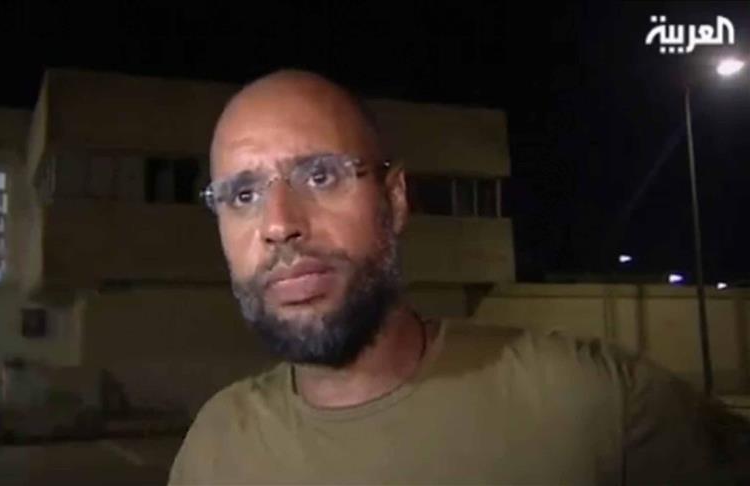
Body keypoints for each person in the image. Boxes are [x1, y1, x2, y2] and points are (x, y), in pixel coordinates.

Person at [169, 69, 748, 485]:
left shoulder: (594, 407)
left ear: (395, 200)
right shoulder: (215, 450)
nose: (278, 225)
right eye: (242, 195)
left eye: (320, 177)